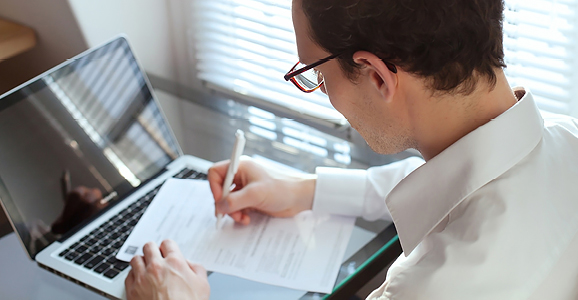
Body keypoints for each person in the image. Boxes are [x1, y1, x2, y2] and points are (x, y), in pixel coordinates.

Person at [124, 0, 578, 299]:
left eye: (316, 73)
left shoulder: (428, 288)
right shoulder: (567, 138)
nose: (322, 89)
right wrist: (302, 191)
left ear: (377, 75)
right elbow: (457, 178)